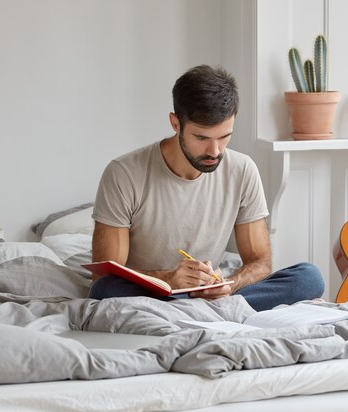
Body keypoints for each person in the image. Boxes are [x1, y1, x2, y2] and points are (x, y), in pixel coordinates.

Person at [88, 64, 324, 311]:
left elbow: (260, 262)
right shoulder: (123, 174)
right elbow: (105, 275)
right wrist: (170, 279)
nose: (215, 151)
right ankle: (215, 312)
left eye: (224, 137)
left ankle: (208, 309)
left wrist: (229, 285)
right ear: (175, 123)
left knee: (309, 277)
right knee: (106, 289)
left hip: (214, 297)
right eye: (201, 138)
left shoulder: (243, 170)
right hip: (153, 292)